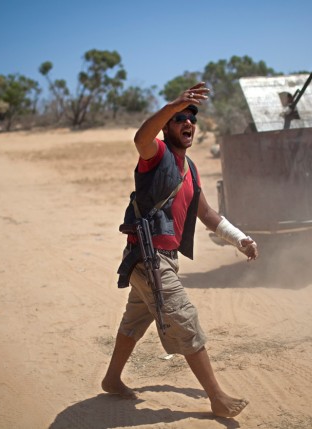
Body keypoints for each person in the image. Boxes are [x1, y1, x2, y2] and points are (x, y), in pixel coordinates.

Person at [101, 82, 258, 418]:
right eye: (180, 118)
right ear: (169, 124)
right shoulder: (156, 155)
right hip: (149, 259)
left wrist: (239, 239)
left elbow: (206, 214)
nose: (188, 123)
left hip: (164, 260)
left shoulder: (190, 169)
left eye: (192, 119)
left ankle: (112, 379)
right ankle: (216, 397)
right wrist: (172, 105)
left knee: (135, 320)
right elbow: (140, 138)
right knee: (185, 319)